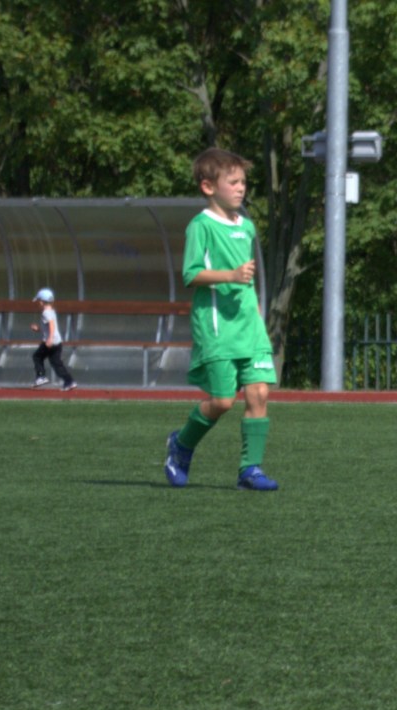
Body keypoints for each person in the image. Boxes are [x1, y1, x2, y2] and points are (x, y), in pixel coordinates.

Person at [163, 146, 279, 490]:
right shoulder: (200, 226)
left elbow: (246, 276)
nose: (241, 188)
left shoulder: (247, 226)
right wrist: (230, 276)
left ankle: (250, 470)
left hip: (248, 326)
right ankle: (181, 444)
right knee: (223, 401)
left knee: (259, 393)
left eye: (243, 182)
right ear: (208, 187)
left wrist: (254, 308)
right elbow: (191, 273)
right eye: (233, 182)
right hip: (217, 326)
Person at [30, 288, 76, 391]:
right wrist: (38, 329)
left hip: (50, 341)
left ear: (41, 302)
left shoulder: (45, 312)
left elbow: (51, 325)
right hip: (57, 342)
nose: (38, 303)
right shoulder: (51, 311)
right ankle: (69, 381)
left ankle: (41, 376)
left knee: (37, 357)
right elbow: (48, 327)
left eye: (38, 301)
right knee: (56, 363)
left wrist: (49, 339)